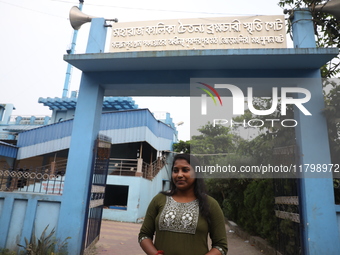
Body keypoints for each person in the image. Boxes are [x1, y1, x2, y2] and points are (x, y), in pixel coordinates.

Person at [138, 153, 228, 255]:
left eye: (185, 170)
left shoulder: (210, 204)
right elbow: (144, 235)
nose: (179, 175)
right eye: (175, 171)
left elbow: (220, 246)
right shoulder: (159, 199)